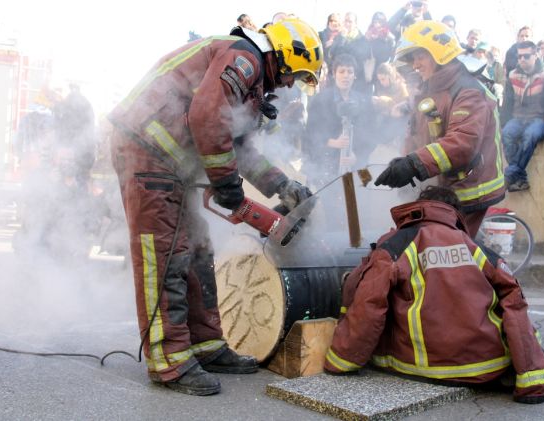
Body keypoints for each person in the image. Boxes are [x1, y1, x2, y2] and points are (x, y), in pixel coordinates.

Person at [107, 18, 322, 396]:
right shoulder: (244, 58)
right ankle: (169, 360)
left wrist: (282, 185)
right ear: (286, 54)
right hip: (149, 153)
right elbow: (207, 118)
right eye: (296, 74)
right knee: (166, 257)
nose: (291, 85)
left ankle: (206, 345)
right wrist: (228, 187)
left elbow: (238, 146)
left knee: (198, 253)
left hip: (170, 163)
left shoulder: (248, 76)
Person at [323, 185, 544, 403]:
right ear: (454, 214)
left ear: (418, 208)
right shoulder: (476, 248)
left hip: (420, 365)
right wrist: (532, 383)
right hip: (483, 361)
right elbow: (515, 303)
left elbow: (367, 305)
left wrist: (340, 361)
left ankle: (513, 374)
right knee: (526, 328)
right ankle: (522, 373)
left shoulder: (395, 245)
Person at [374, 20, 506, 235]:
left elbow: (463, 143)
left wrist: (414, 165)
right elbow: (416, 134)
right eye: (412, 58)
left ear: (439, 53)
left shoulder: (468, 91)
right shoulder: (429, 88)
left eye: (420, 56)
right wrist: (406, 166)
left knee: (452, 253)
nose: (415, 64)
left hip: (470, 189)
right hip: (447, 186)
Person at [501, 41, 544, 192]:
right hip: (518, 118)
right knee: (507, 134)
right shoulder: (512, 75)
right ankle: (520, 178)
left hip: (541, 119)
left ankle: (509, 175)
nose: (522, 59)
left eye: (526, 56)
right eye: (520, 57)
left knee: (530, 135)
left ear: (535, 55)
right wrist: (502, 124)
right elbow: (507, 104)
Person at [304, 54, 376, 187]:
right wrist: (331, 142)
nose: (346, 75)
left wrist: (357, 156)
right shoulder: (320, 100)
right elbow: (310, 133)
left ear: (355, 75)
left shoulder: (364, 101)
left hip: (357, 166)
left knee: (364, 197)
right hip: (328, 166)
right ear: (334, 74)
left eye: (350, 71)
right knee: (333, 202)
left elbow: (371, 134)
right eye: (341, 71)